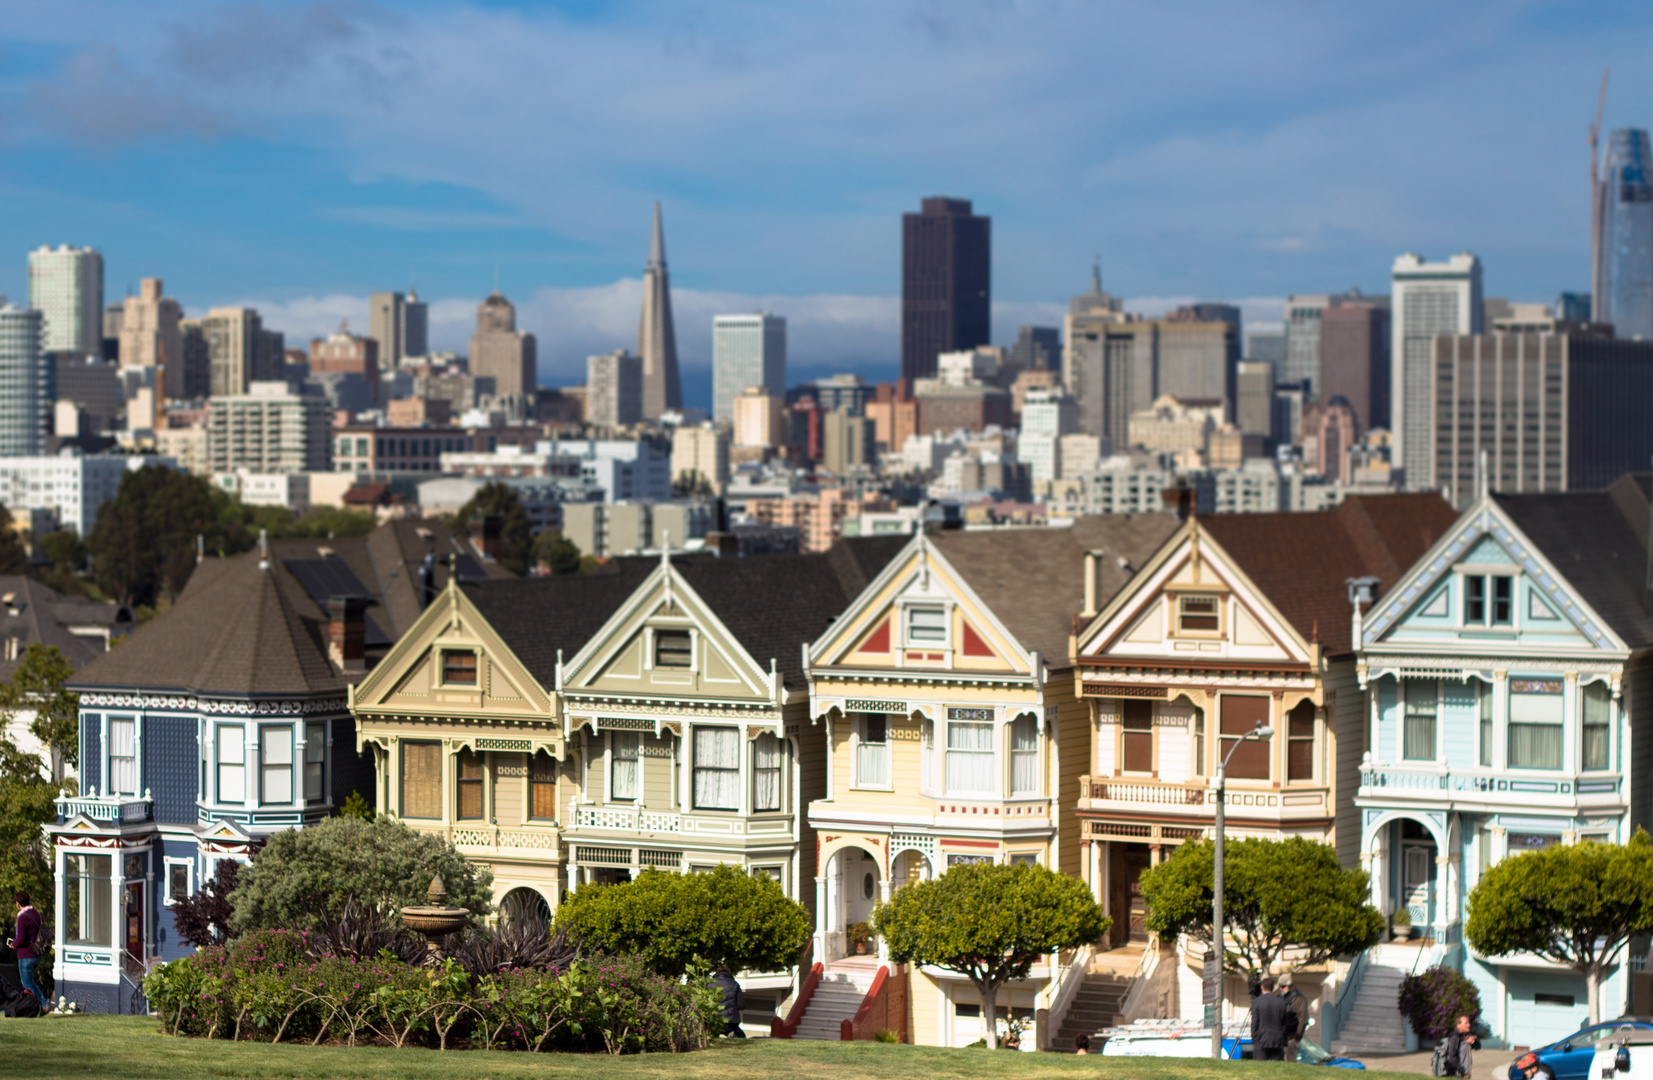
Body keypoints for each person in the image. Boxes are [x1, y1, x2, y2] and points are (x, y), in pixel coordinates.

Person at [1250, 976, 1297, 1062]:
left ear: (1262, 987)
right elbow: (1284, 1023)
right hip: (1278, 1041)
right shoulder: (1281, 1002)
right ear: (1272, 988)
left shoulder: (1257, 1002)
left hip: (1261, 1040)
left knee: (1260, 1068)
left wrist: (1255, 1040)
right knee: (1276, 1068)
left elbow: (1254, 1023)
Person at [9, 891, 42, 1009]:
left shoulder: (22, 917)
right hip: (37, 954)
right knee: (30, 982)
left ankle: (41, 1005)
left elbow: (21, 939)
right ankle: (41, 1005)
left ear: (18, 904)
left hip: (26, 955)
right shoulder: (37, 914)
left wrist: (14, 944)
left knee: (26, 984)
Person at [1279, 973, 1309, 1063]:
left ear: (1290, 985)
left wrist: (1296, 1036)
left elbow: (1302, 1019)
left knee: (1290, 1063)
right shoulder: (1280, 996)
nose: (1280, 988)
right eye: (1280, 986)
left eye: (1283, 986)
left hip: (1291, 1037)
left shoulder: (1299, 999)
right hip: (1280, 1037)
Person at [712, 964, 745, 1038]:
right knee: (741, 1036)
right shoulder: (735, 984)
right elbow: (741, 1005)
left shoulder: (709, 984)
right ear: (729, 973)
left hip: (714, 1020)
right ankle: (730, 1032)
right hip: (731, 1021)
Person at [1443, 1013, 1480, 1078]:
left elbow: (1478, 1047)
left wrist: (1474, 1040)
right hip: (1458, 1075)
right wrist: (1463, 1072)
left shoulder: (1466, 1036)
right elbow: (1452, 1058)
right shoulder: (1454, 1038)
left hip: (1466, 1074)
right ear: (1458, 1025)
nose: (1469, 1025)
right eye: (1466, 1023)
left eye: (1468, 1023)